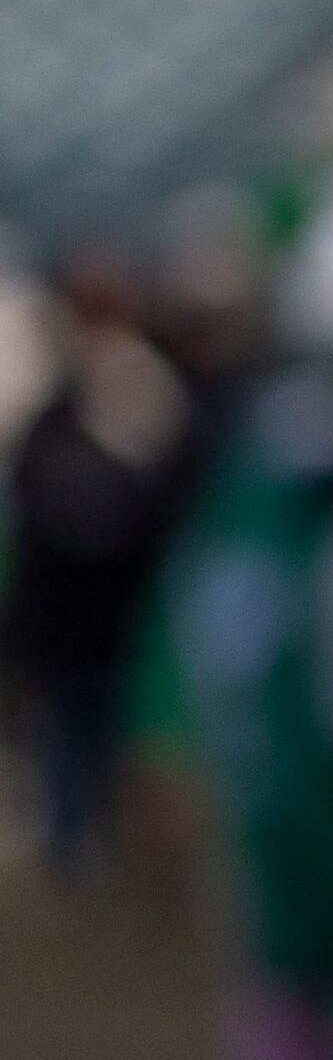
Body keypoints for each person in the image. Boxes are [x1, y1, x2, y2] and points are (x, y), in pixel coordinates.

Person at [8, 243, 204, 886]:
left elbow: (155, 496)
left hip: (127, 603)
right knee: (76, 733)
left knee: (128, 736)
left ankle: (127, 856)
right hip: (75, 605)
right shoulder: (62, 400)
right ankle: (83, 856)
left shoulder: (139, 384)